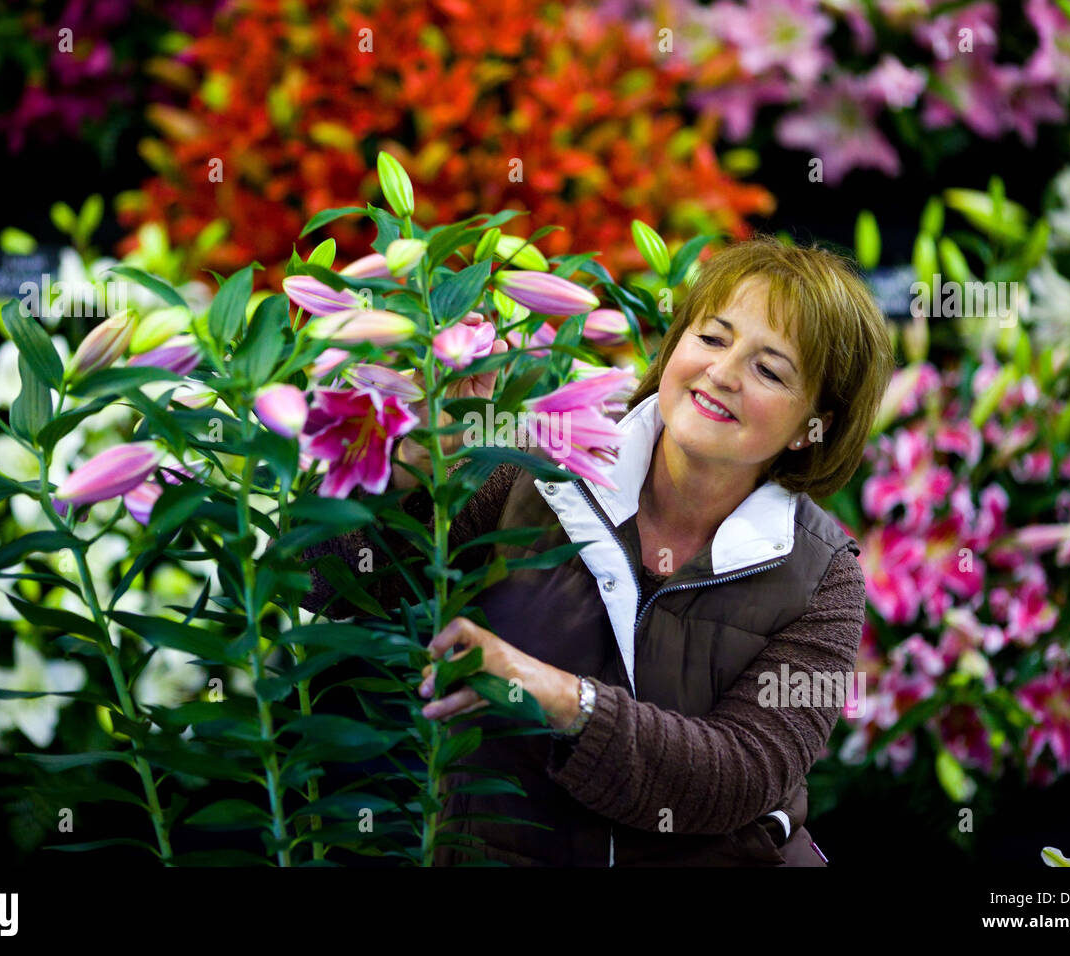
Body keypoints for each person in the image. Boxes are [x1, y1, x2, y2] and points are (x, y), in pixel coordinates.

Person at [300, 234, 895, 866]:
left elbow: (739, 776)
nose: (721, 374)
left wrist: (560, 698)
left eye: (768, 369)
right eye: (712, 338)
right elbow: (330, 584)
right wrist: (418, 465)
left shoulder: (823, 578)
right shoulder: (533, 468)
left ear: (816, 426)